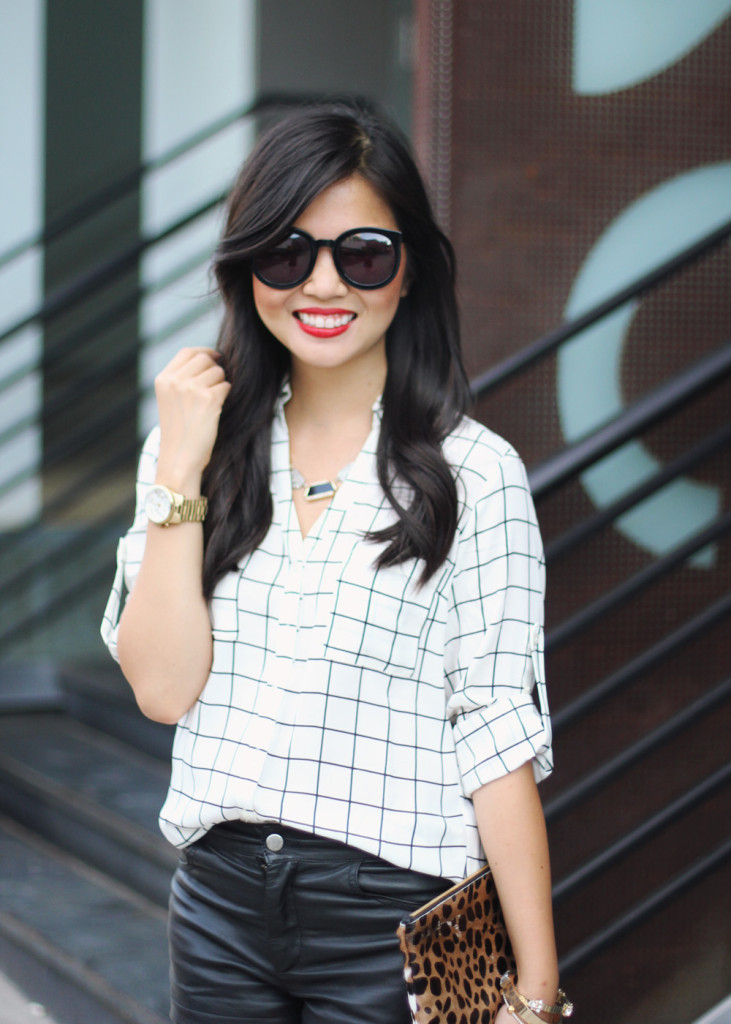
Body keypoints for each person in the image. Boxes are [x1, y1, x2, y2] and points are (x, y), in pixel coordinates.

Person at [101, 99, 564, 1024]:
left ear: (407, 273)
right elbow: (160, 689)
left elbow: (496, 739)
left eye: (361, 254)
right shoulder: (196, 450)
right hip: (220, 906)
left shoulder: (475, 474)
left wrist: (537, 991)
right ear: (249, 269)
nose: (322, 286)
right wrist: (181, 470)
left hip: (398, 918)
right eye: (286, 253)